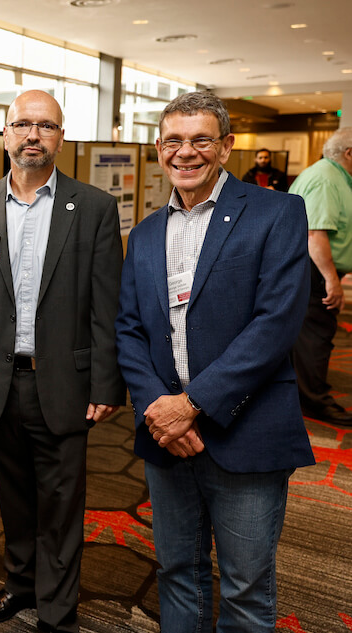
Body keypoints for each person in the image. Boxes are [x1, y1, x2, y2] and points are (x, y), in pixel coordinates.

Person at [115, 91, 315, 632]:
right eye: (174, 140)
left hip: (246, 431)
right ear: (159, 149)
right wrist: (160, 407)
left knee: (246, 587)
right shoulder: (146, 232)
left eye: (201, 139)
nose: (187, 152)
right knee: (177, 571)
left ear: (226, 147)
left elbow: (276, 323)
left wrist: (192, 404)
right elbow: (129, 329)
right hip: (166, 437)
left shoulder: (277, 212)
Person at [0, 90, 125, 632]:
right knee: (14, 498)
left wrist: (105, 384)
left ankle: (56, 611)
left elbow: (105, 305)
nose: (32, 136)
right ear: (4, 134)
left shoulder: (93, 207)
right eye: (22, 125)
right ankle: (20, 586)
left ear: (60, 138)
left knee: (62, 505)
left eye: (45, 127)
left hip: (64, 383)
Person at [288, 127, 352, 425]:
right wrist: (332, 279)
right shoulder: (327, 179)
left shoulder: (334, 176)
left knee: (306, 335)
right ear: (349, 153)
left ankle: (301, 392)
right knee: (316, 335)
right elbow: (315, 234)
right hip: (313, 269)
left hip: (314, 268)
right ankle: (313, 401)